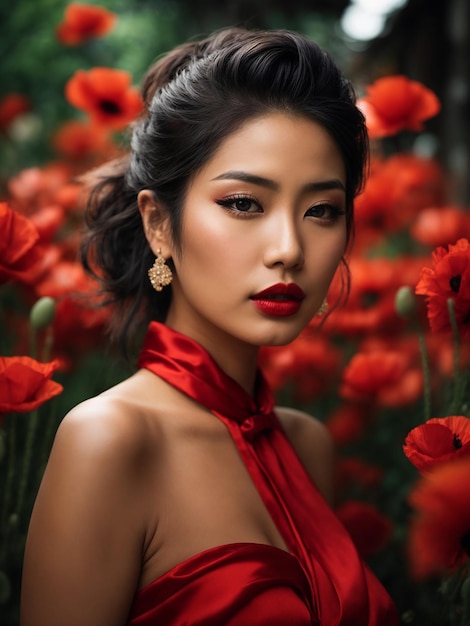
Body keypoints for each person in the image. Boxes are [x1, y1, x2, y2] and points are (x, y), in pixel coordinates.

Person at [21, 27, 398, 625]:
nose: (288, 249)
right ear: (159, 225)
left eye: (321, 210)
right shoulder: (110, 441)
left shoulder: (307, 445)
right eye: (244, 203)